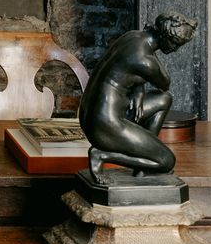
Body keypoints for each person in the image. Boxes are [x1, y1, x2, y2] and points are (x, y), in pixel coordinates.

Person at [79, 13, 197, 183]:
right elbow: (165, 82)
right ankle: (102, 155)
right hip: (107, 124)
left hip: (92, 116)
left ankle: (142, 167)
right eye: (176, 44)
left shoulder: (133, 36)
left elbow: (130, 69)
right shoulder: (146, 61)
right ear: (165, 36)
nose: (175, 50)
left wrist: (139, 91)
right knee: (167, 161)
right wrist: (141, 85)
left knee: (164, 100)